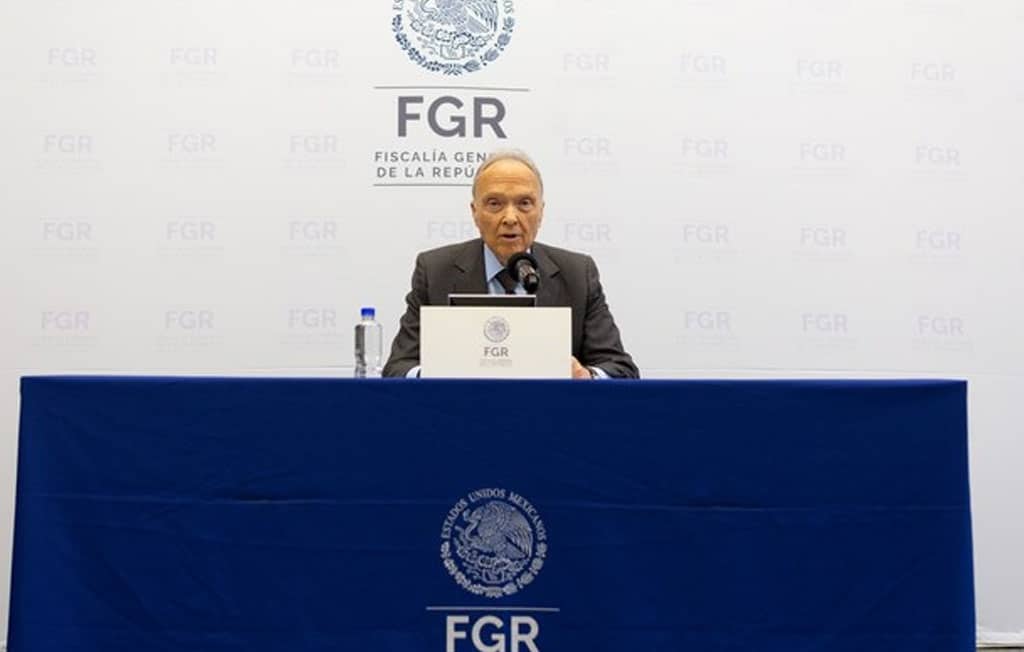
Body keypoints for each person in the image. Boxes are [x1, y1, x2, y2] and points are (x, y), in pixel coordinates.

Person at [383, 149, 638, 379]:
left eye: (524, 203)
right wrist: (435, 373)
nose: (510, 218)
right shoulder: (435, 270)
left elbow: (621, 369)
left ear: (541, 211)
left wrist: (586, 376)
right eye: (495, 204)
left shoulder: (577, 274)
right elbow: (397, 369)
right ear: (475, 212)